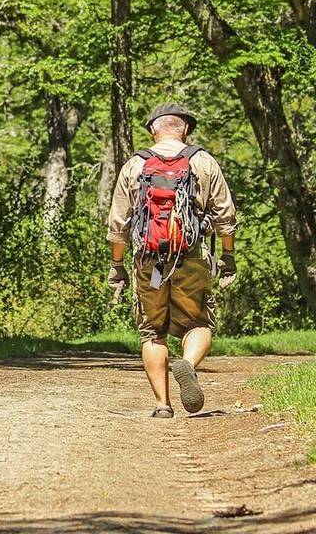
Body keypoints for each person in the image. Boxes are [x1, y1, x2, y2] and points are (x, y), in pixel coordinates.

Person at [106, 102, 238, 418]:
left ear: (153, 129)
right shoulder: (203, 161)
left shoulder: (135, 165)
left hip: (148, 259)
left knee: (152, 330)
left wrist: (117, 267)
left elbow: (118, 224)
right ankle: (187, 363)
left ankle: (163, 405)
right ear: (186, 129)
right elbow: (226, 216)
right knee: (199, 322)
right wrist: (228, 257)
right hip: (191, 255)